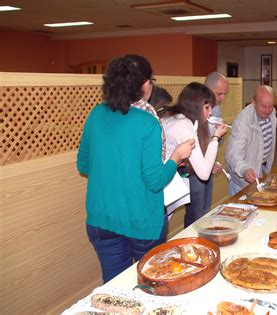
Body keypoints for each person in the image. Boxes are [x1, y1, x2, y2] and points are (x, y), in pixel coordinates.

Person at [76, 55, 194, 283]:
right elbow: (155, 181)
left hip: (101, 220)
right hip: (141, 222)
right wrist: (176, 156)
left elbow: (83, 165)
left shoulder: (96, 114)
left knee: (114, 285)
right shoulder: (147, 120)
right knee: (150, 283)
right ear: (144, 84)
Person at [161, 82, 227, 228]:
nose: (210, 112)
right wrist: (216, 138)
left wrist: (208, 163)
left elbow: (195, 160)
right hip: (161, 184)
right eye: (207, 107)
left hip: (166, 180)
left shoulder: (177, 118)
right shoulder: (183, 124)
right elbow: (203, 173)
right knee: (162, 228)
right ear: (196, 105)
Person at [225, 85, 277, 195]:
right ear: (253, 102)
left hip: (261, 171)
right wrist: (244, 170)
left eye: (271, 106)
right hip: (243, 178)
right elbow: (233, 154)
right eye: (263, 106)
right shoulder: (243, 121)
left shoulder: (272, 113)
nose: (268, 111)